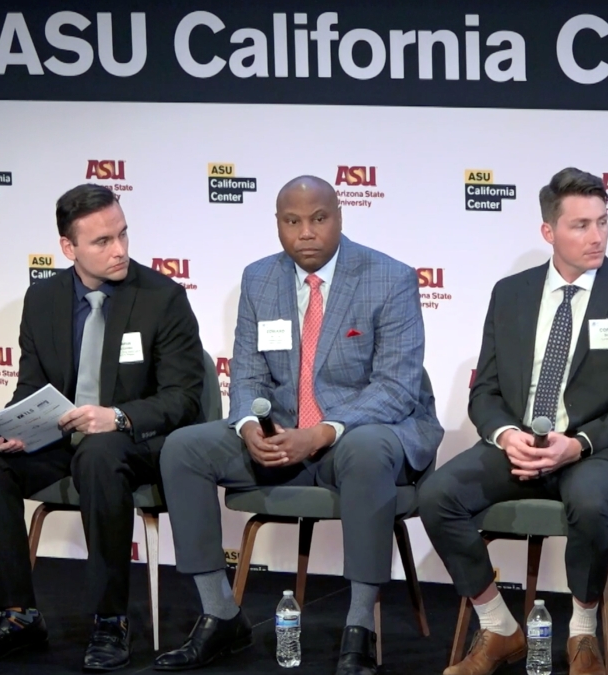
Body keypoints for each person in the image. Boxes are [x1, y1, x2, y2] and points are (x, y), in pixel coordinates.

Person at [153, 176, 443, 675]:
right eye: (292, 221)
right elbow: (245, 372)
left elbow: (396, 388)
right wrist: (247, 424)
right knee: (184, 448)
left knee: (370, 448)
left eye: (318, 219)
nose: (305, 232)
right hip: (282, 438)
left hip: (356, 440)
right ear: (278, 223)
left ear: (339, 216)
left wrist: (323, 432)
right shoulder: (260, 278)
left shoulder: (389, 278)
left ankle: (360, 627)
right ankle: (220, 614)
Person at [419, 167, 608, 675]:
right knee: (437, 496)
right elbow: (485, 390)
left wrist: (577, 443)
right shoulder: (510, 293)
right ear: (548, 232)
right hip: (520, 444)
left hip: (601, 449)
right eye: (580, 225)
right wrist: (507, 435)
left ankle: (583, 634)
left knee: (590, 499)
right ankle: (498, 627)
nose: (596, 235)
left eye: (603, 222)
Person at [0, 184, 205, 671]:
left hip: (134, 443)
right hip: (63, 439)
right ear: (69, 248)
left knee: (100, 453)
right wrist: (17, 425)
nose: (120, 249)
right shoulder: (42, 298)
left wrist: (118, 417)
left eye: (123, 234)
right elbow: (31, 387)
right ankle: (16, 613)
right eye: (103, 241)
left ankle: (110, 620)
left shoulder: (160, 298)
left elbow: (184, 398)